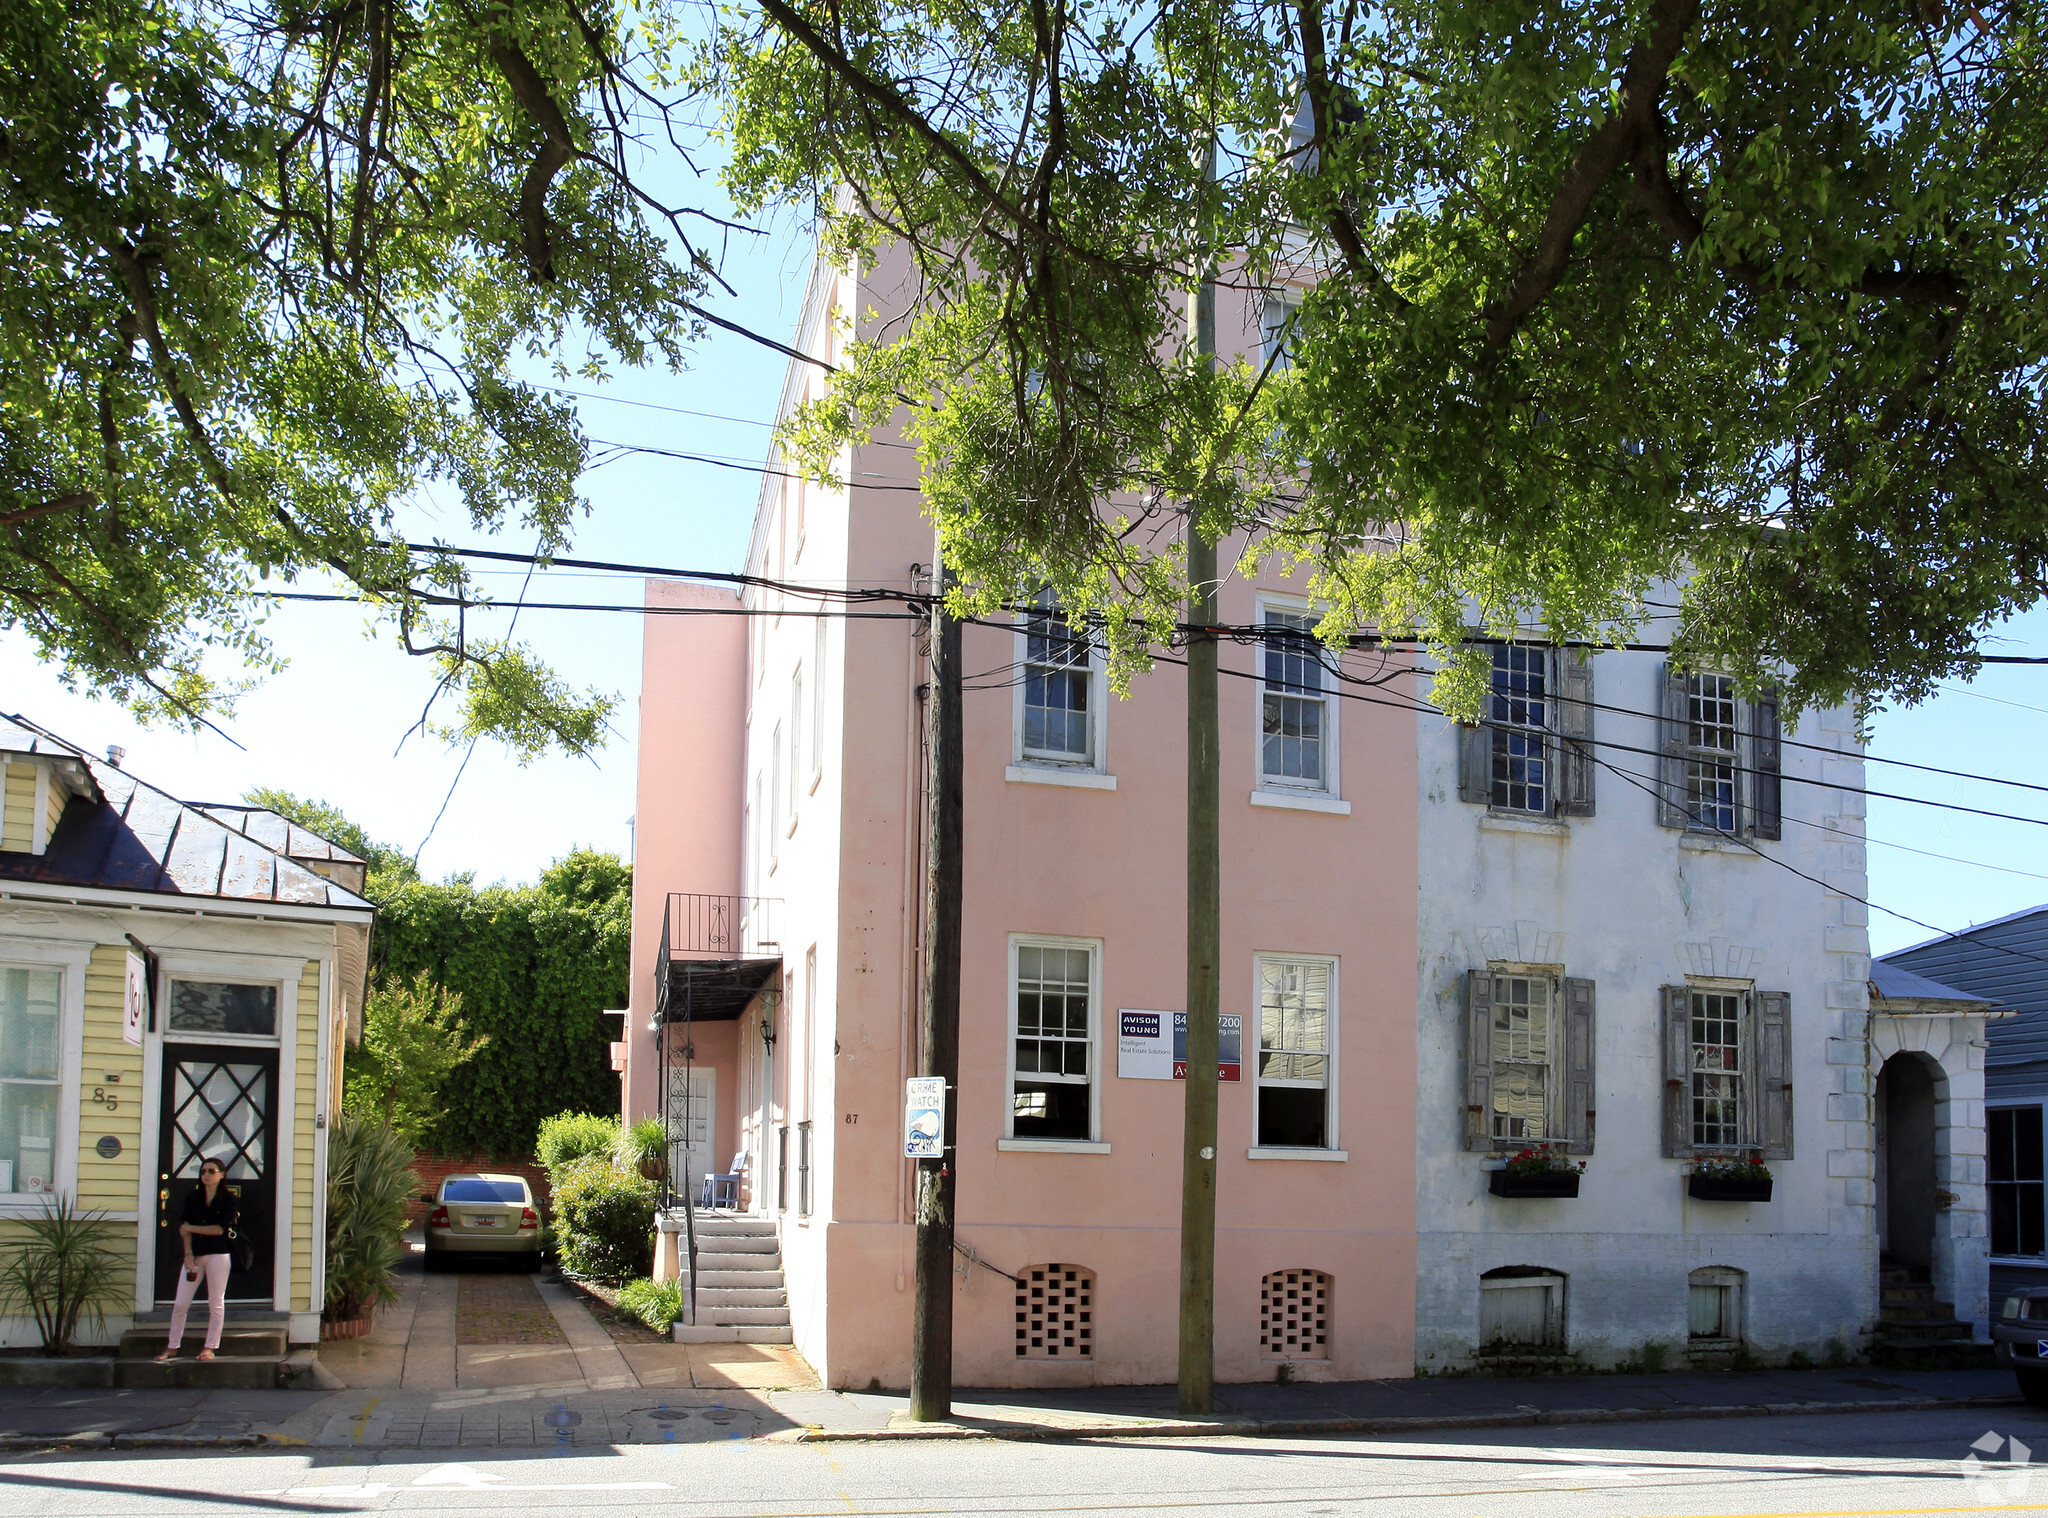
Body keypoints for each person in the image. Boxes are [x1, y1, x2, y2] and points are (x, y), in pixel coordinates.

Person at [156, 1157, 238, 1362]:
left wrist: (190, 1228)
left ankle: (210, 1346)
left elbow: (219, 1229)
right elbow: (184, 1228)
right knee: (181, 1303)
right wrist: (188, 1254)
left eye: (211, 1171)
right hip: (195, 1255)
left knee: (216, 1302)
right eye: (203, 1171)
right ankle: (172, 1346)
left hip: (218, 1255)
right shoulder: (193, 1198)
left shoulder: (228, 1199)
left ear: (221, 1174)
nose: (207, 1175)